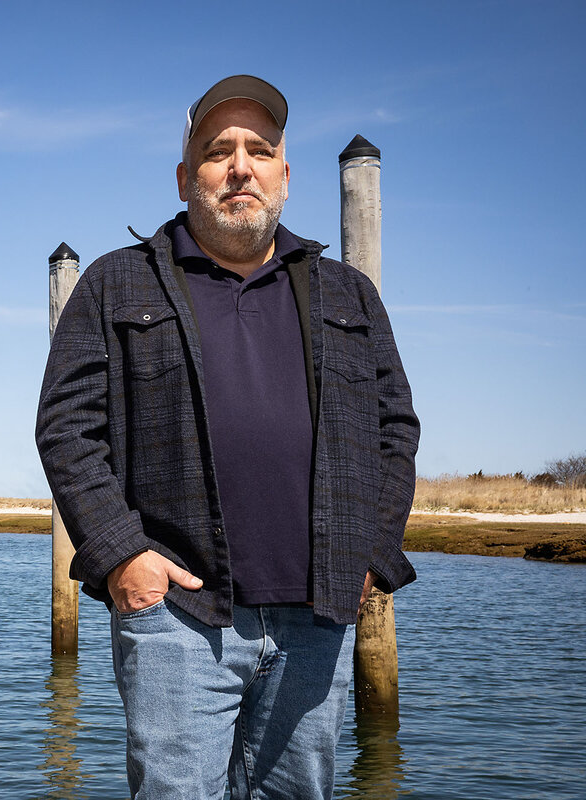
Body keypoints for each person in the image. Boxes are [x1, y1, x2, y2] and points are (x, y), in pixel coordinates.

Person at [34, 74, 420, 800]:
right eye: (218, 151)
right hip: (178, 614)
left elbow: (394, 425)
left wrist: (370, 551)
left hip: (319, 615)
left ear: (283, 175)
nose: (239, 166)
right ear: (186, 178)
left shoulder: (349, 293)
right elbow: (66, 426)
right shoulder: (116, 286)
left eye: (259, 149)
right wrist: (123, 556)